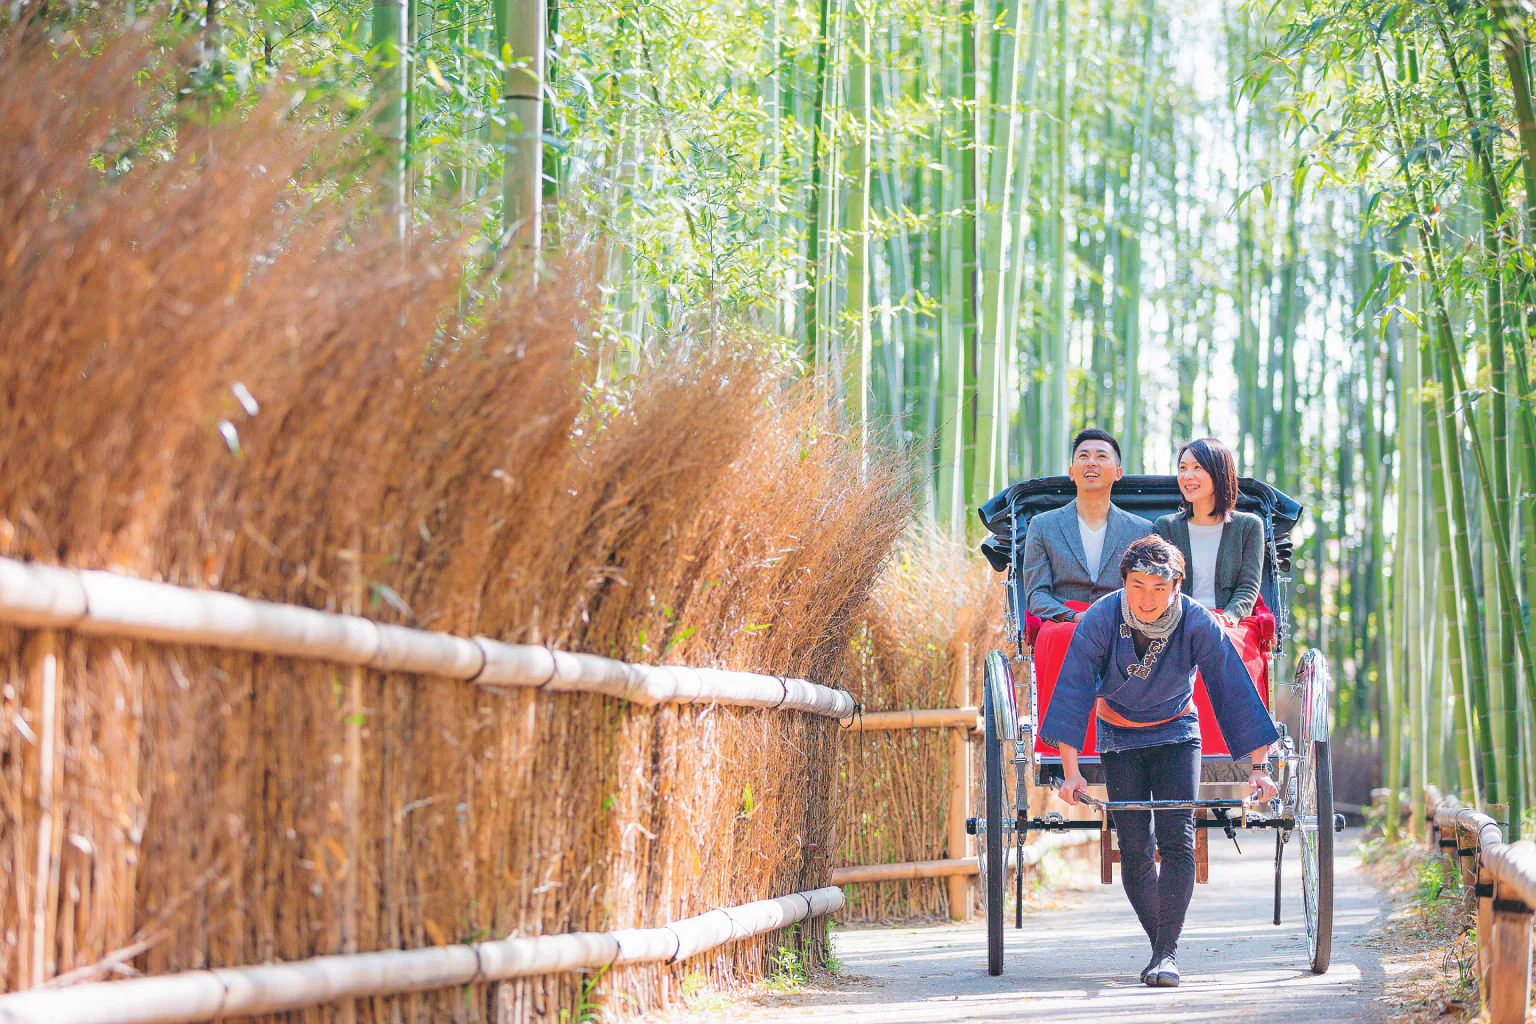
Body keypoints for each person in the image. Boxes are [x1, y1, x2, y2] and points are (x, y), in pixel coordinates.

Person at [1040, 535, 1279, 989]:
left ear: (1177, 586)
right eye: (1136, 586)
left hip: (1177, 732)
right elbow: (1072, 690)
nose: (1147, 598)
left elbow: (1232, 689)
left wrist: (1259, 767)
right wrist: (1070, 772)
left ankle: (1166, 953)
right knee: (1133, 845)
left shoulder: (1195, 620)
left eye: (1158, 587)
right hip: (1119, 734)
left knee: (1178, 840)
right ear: (1123, 583)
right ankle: (1161, 947)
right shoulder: (1101, 618)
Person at [1018, 427, 1154, 624]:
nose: (1091, 462)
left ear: (1118, 473)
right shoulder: (1043, 526)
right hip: (1064, 626)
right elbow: (1036, 595)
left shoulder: (1141, 530)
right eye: (1084, 456)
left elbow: (1146, 590)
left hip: (1121, 625)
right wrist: (1074, 616)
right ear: (1072, 473)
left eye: (1101, 456)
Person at [1153, 438, 1263, 626]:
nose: (1187, 476)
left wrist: (1227, 618)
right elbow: (1159, 585)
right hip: (1177, 623)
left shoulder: (1249, 526)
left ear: (1219, 473)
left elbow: (1248, 587)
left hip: (1229, 623)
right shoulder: (1166, 527)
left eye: (1197, 467)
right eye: (1182, 468)